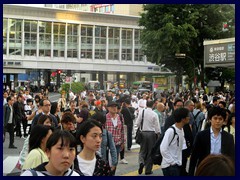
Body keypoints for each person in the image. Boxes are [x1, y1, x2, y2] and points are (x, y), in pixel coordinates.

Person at [188, 106, 235, 176]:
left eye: (220, 119)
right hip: (205, 169)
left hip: (222, 170)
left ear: (224, 121)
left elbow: (231, 157)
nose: (217, 121)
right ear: (210, 119)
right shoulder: (201, 136)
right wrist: (191, 173)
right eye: (215, 118)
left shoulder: (228, 137)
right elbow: (194, 157)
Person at [160, 107, 190, 176]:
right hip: (170, 166)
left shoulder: (181, 130)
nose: (189, 117)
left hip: (177, 164)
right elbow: (163, 148)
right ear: (183, 119)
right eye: (187, 116)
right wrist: (172, 162)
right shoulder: (171, 131)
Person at [136, 100, 160, 175]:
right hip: (152, 134)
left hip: (143, 133)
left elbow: (137, 123)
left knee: (142, 150)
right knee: (150, 152)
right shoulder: (154, 114)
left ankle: (141, 162)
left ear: (146, 104)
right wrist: (158, 135)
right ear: (153, 105)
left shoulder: (142, 112)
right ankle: (148, 170)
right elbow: (157, 127)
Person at [105, 101, 125, 175]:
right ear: (108, 108)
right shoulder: (105, 117)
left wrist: (123, 142)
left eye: (115, 107)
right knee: (107, 161)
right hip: (108, 143)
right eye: (112, 107)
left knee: (115, 161)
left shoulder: (120, 116)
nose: (114, 108)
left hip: (117, 143)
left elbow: (122, 130)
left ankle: (112, 174)